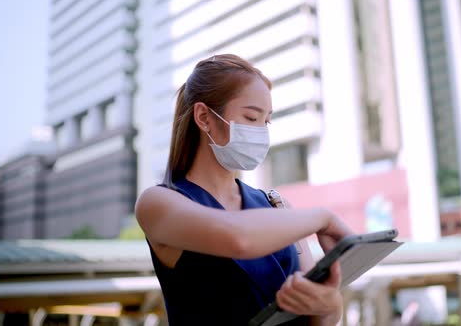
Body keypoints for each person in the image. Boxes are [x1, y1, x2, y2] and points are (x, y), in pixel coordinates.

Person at [135, 54, 353, 325]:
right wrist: (323, 218)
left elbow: (316, 318)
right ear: (204, 117)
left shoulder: (276, 204)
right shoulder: (157, 203)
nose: (261, 132)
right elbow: (239, 239)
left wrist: (329, 306)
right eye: (251, 117)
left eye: (266, 121)